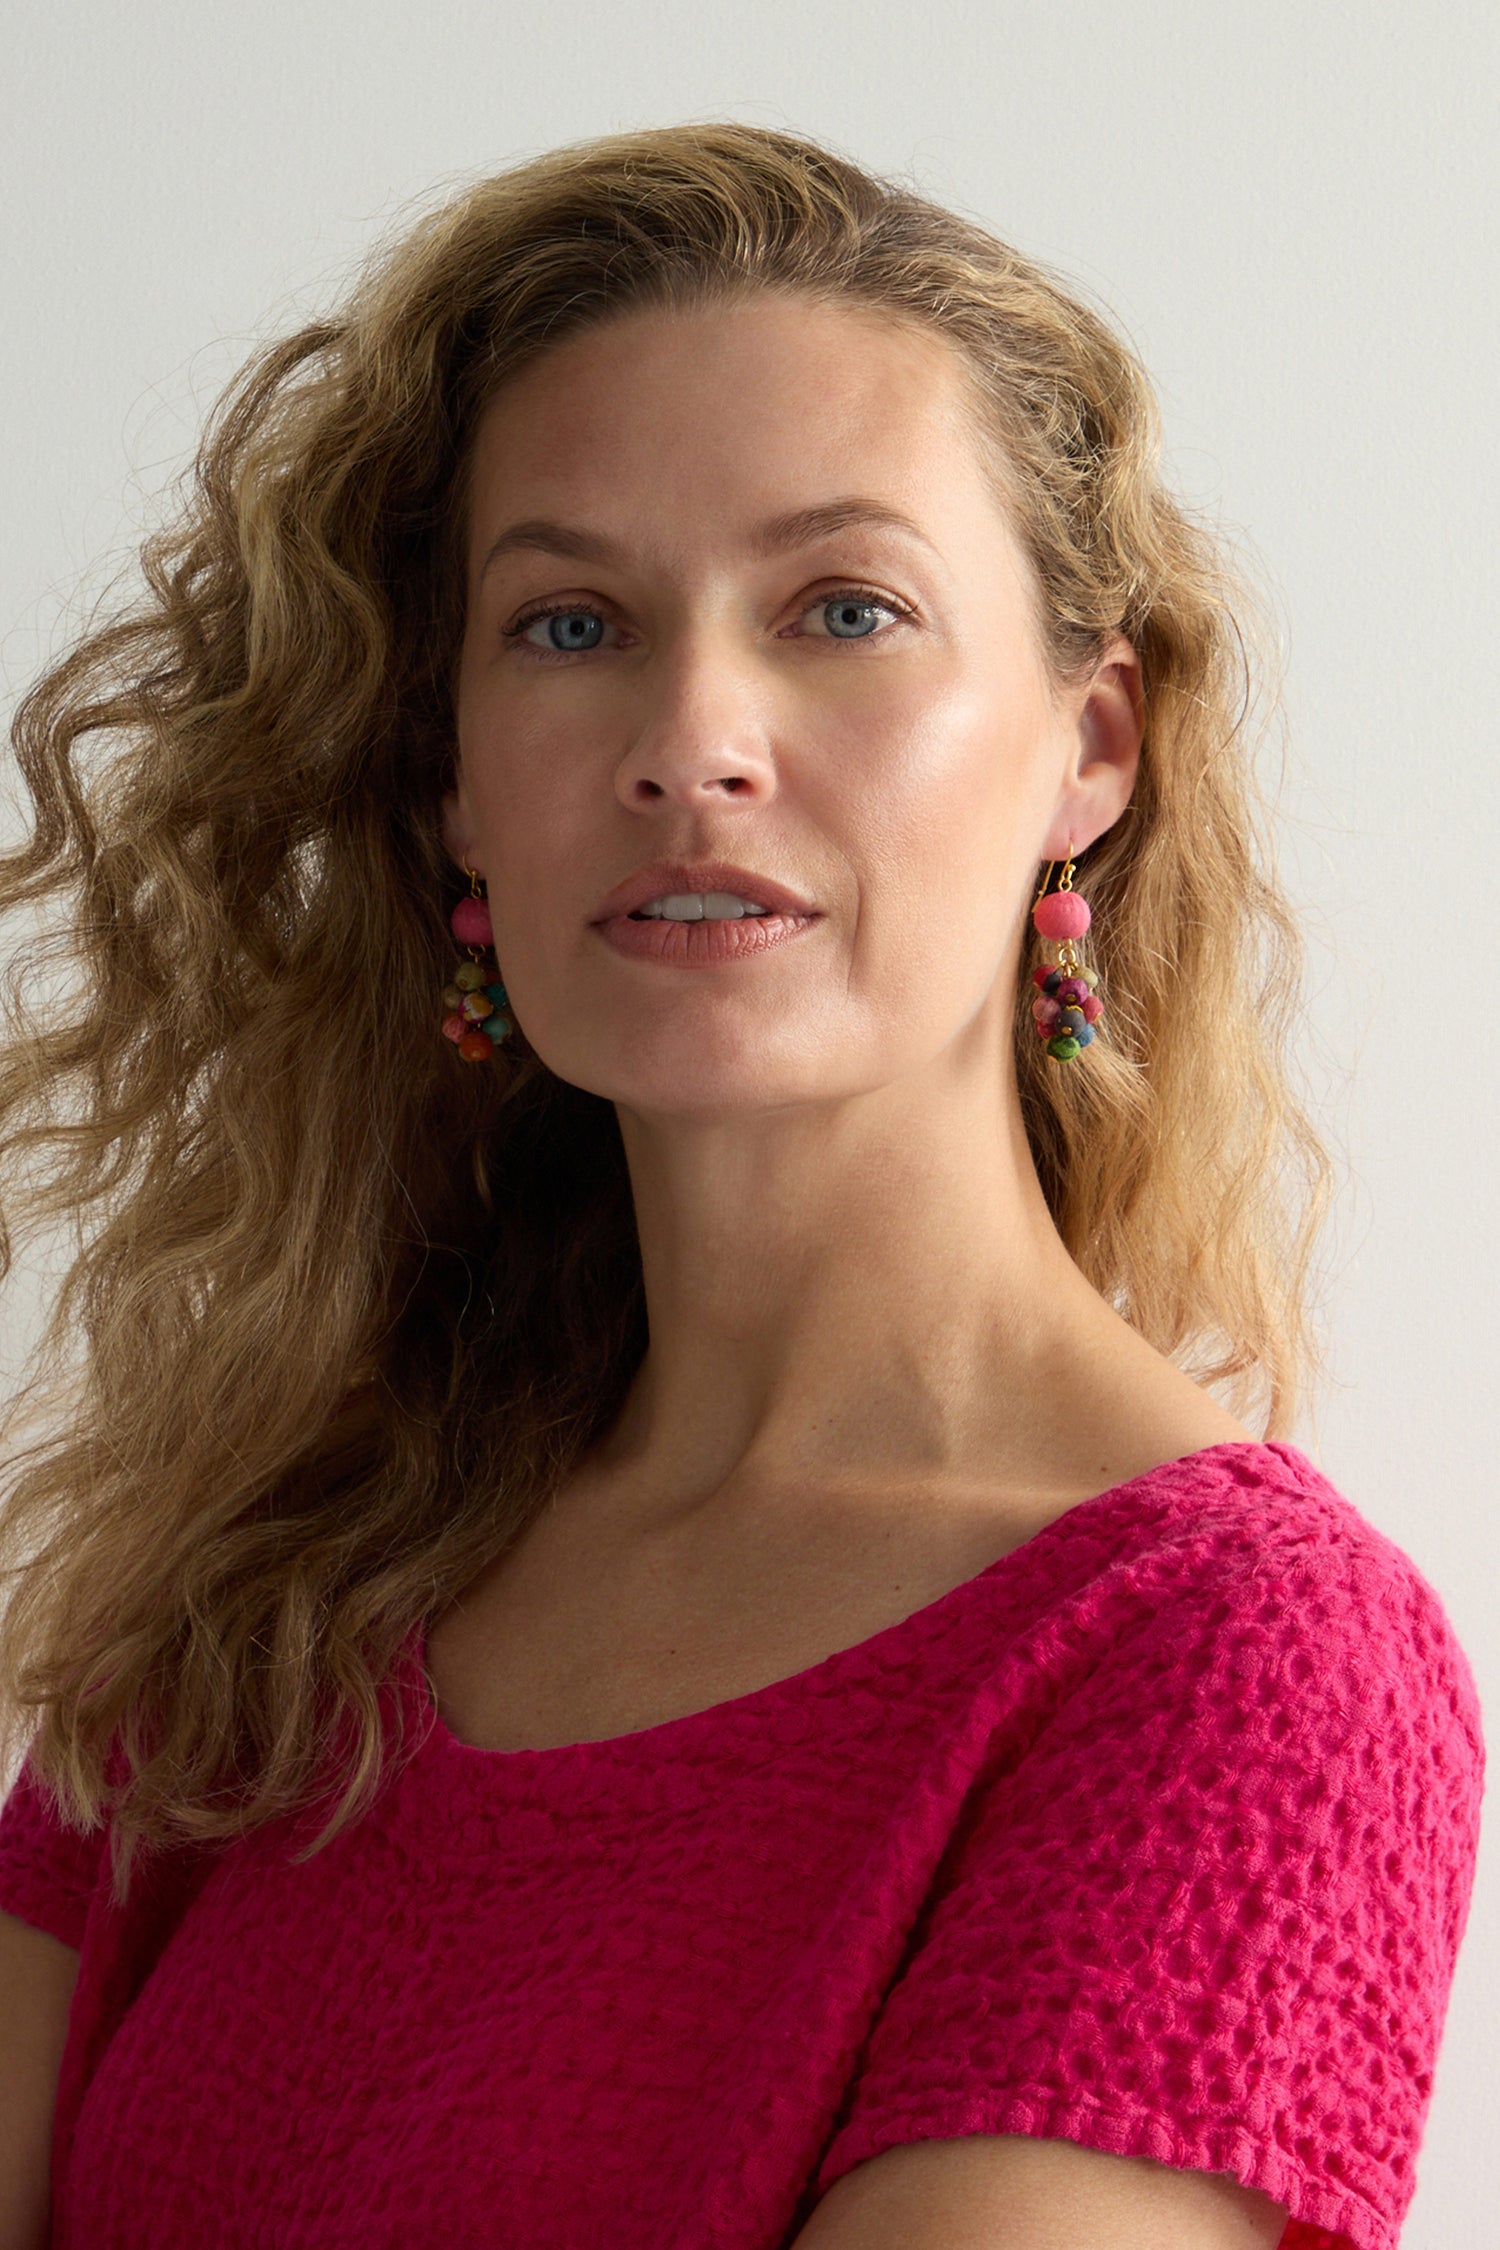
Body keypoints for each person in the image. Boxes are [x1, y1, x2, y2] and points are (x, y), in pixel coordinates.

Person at [0, 122, 1482, 2250]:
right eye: (571, 621)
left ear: (1092, 746)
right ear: (453, 787)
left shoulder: (1228, 1669)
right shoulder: (260, 1592)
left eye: (845, 608)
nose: (693, 735)